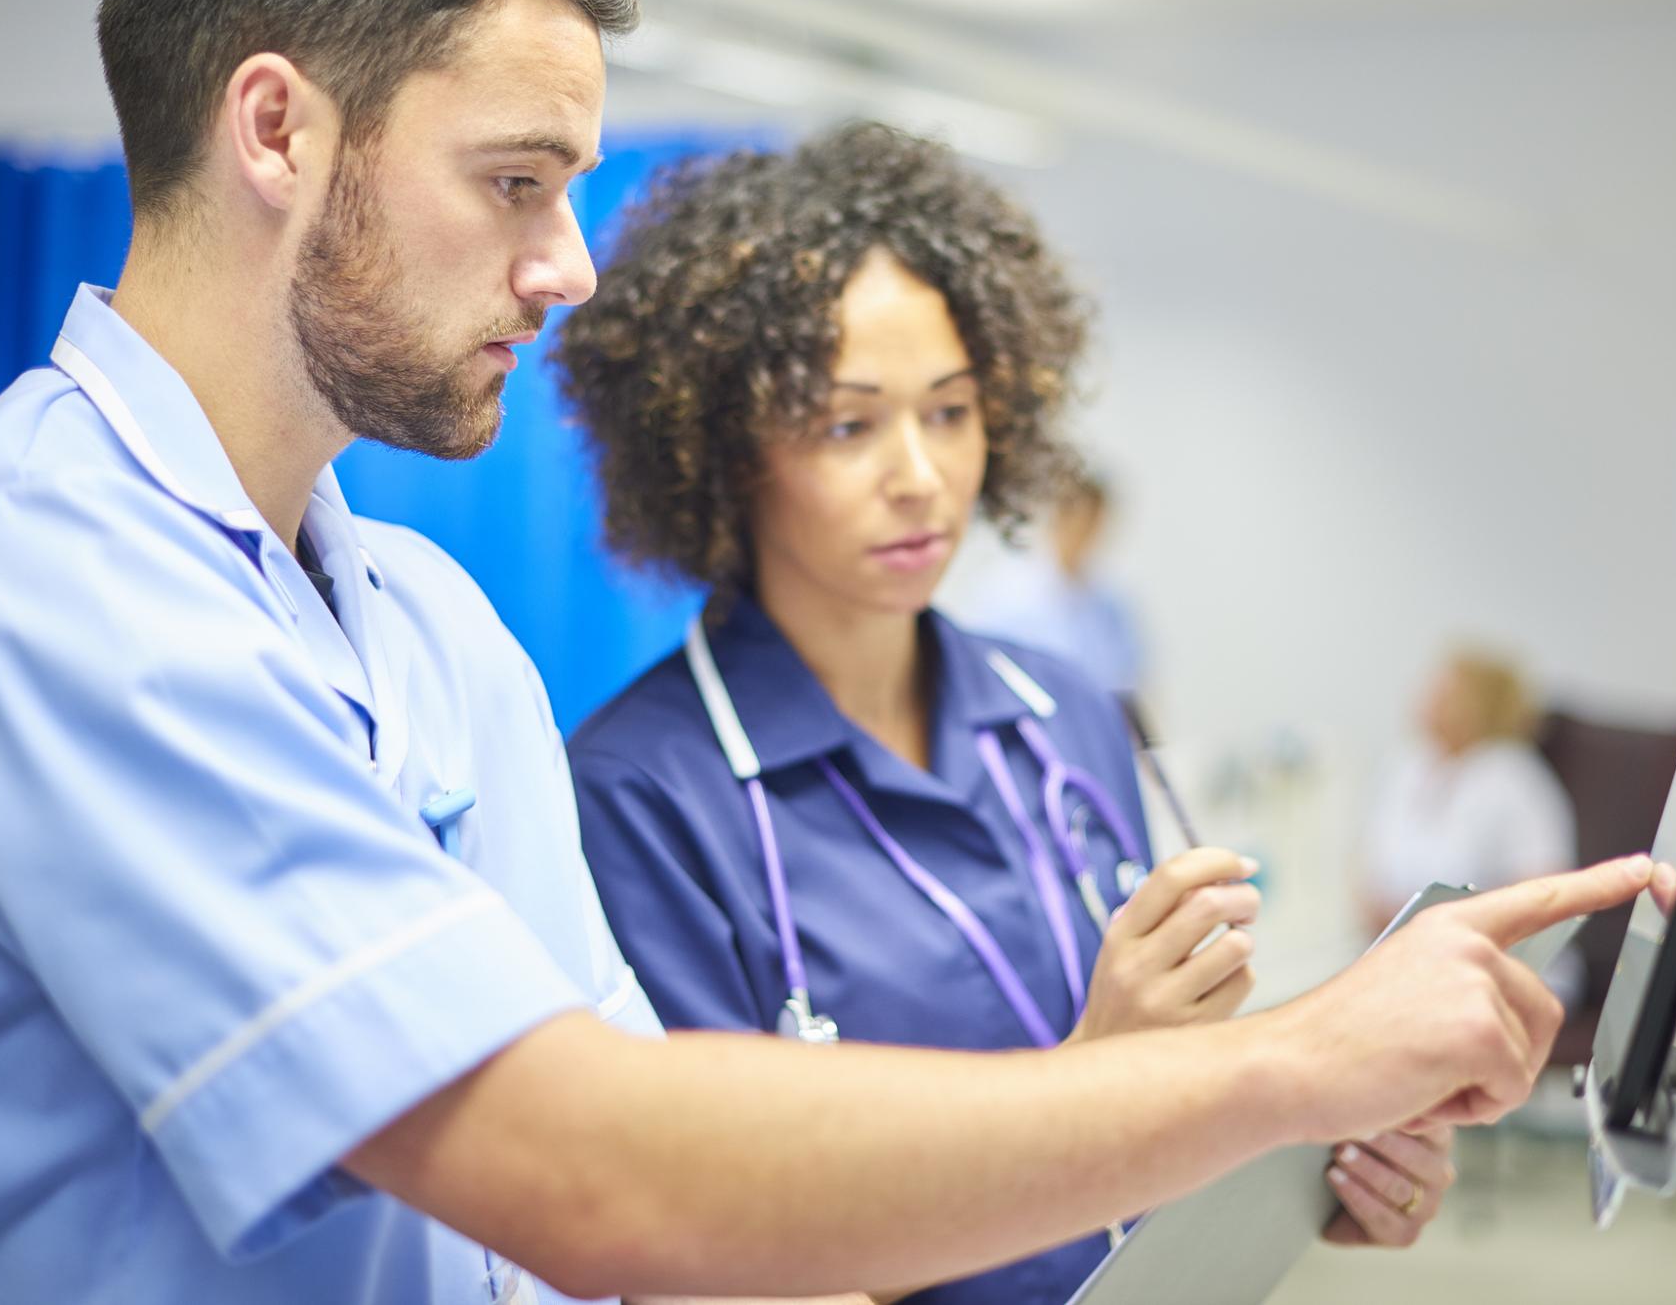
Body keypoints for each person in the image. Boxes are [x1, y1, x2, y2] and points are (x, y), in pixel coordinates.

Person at [0, 0, 1660, 1302]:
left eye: (954, 411)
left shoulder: (430, 627)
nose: (570, 261)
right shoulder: (29, 581)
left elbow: (673, 1240)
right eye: (517, 179)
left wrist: (1246, 1157)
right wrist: (1277, 1070)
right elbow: (582, 1171)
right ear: (276, 127)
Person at [559, 124, 1450, 1303]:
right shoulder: (642, 793)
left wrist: (1310, 1149)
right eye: (846, 424)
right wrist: (1095, 1079)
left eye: (949, 411)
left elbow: (1165, 1114)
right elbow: (710, 1262)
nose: (920, 475)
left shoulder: (1064, 713)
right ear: (724, 454)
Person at [1358, 649, 1578, 944]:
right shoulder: (1409, 764)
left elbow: (1543, 890)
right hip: (1406, 949)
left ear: (1482, 705)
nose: (1429, 699)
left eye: (1447, 693)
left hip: (1494, 955)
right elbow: (1371, 870)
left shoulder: (1514, 777)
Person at [962, 472, 1145, 695]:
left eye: (1095, 521)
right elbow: (989, 672)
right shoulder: (1008, 594)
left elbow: (1128, 678)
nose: (1086, 532)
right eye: (1079, 519)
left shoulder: (1111, 601)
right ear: (1059, 519)